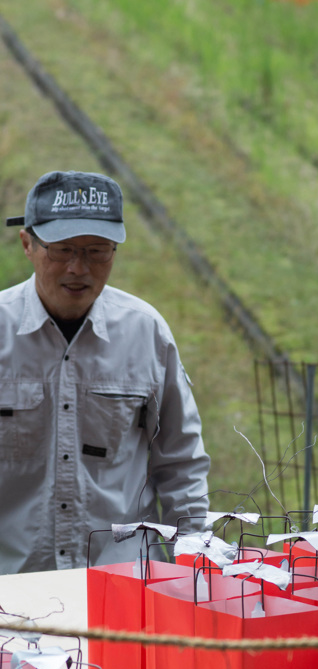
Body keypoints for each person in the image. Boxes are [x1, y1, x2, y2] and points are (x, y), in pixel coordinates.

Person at [1, 169, 210, 572]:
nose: (79, 268)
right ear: (27, 243)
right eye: (61, 249)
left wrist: (192, 570)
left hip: (123, 585)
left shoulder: (146, 332)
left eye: (98, 250)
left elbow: (181, 464)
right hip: (11, 592)